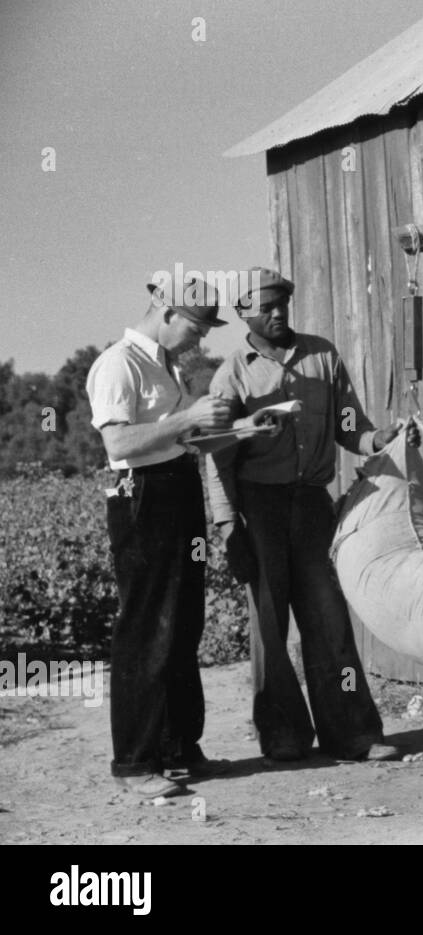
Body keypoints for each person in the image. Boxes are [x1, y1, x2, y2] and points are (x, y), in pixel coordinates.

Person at [206, 268, 413, 765]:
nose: (277, 314)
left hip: (312, 505)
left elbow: (350, 426)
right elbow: (215, 455)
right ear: (244, 314)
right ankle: (283, 737)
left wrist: (375, 440)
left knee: (328, 620)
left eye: (282, 304)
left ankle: (353, 735)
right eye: (265, 307)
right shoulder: (232, 372)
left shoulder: (322, 355)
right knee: (270, 627)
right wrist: (229, 526)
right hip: (259, 509)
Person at [86, 272, 254, 797]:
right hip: (142, 498)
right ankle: (135, 764)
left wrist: (242, 429)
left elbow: (180, 439)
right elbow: (119, 444)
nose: (201, 339)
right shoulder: (117, 364)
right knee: (145, 627)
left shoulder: (163, 365)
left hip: (176, 488)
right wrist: (188, 417)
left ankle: (179, 747)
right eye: (198, 328)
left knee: (183, 623)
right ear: (166, 313)